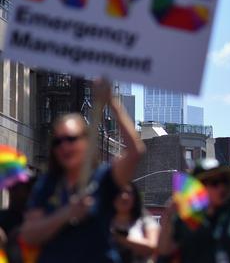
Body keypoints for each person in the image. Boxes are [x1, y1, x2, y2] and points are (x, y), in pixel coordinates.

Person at [20, 79, 146, 263]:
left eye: (71, 139)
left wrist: (111, 102)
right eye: (58, 141)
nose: (64, 146)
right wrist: (66, 214)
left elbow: (136, 152)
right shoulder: (48, 183)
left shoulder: (104, 178)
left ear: (86, 141)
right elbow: (29, 235)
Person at [157, 123, 230, 263]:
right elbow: (164, 252)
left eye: (223, 181)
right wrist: (168, 217)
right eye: (214, 183)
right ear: (198, 187)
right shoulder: (186, 218)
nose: (221, 187)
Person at [112, 183, 159, 263]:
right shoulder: (102, 220)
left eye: (128, 192)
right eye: (120, 192)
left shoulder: (145, 219)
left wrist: (119, 238)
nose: (124, 196)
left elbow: (153, 247)